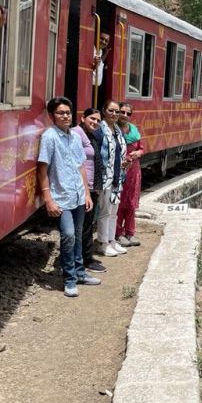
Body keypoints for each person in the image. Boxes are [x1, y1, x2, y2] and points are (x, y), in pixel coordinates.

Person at [37, 97, 101, 297]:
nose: (65, 116)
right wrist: (48, 199)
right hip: (61, 196)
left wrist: (87, 193)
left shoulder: (74, 136)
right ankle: (70, 278)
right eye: (60, 113)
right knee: (68, 236)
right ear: (51, 116)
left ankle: (80, 272)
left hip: (79, 196)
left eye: (67, 112)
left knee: (79, 235)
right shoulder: (49, 137)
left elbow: (81, 166)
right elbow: (42, 169)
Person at [71, 108, 107, 273]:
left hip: (91, 186)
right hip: (83, 187)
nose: (95, 122)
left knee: (87, 224)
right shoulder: (76, 134)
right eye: (92, 119)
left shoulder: (89, 134)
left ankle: (85, 257)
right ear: (83, 118)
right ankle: (85, 260)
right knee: (84, 225)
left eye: (98, 121)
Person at [93, 99, 127, 257]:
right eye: (111, 111)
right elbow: (98, 156)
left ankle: (112, 240)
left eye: (117, 111)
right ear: (104, 111)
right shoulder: (100, 130)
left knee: (114, 211)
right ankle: (102, 243)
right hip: (106, 177)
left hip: (117, 177)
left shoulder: (118, 130)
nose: (114, 114)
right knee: (105, 211)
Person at [115, 103, 145, 247]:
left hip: (134, 170)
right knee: (119, 203)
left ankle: (130, 232)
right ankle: (118, 233)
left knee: (131, 203)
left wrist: (137, 153)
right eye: (122, 112)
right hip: (119, 170)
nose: (125, 115)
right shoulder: (113, 130)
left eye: (128, 113)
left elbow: (141, 148)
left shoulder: (134, 130)